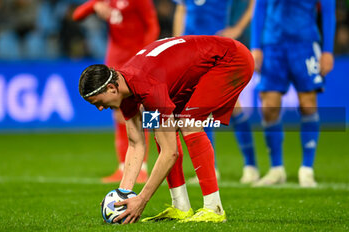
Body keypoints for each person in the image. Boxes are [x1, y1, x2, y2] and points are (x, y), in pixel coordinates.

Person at [78, 35, 254, 223]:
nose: (100, 108)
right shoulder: (124, 89)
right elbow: (136, 143)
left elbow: (171, 153)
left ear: (111, 88)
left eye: (98, 102)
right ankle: (180, 207)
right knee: (160, 132)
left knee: (188, 123)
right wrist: (123, 195)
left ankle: (214, 209)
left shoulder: (146, 86)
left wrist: (142, 200)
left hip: (231, 59)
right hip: (195, 69)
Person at [73, 0, 160, 183]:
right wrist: (94, 6)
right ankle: (123, 167)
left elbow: (152, 26)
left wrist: (144, 57)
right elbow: (77, 15)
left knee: (140, 112)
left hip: (135, 60)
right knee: (118, 114)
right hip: (114, 61)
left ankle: (141, 168)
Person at [172, 0, 259, 184]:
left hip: (218, 49)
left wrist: (237, 29)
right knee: (198, 108)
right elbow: (181, 9)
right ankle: (211, 169)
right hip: (191, 50)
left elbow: (254, 4)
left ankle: (251, 166)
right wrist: (176, 41)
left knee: (234, 106)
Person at [251, 0, 336, 187]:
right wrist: (255, 46)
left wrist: (328, 51)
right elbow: (260, 7)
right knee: (269, 107)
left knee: (308, 104)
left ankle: (307, 169)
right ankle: (276, 169)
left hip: (305, 44)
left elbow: (329, 10)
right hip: (272, 45)